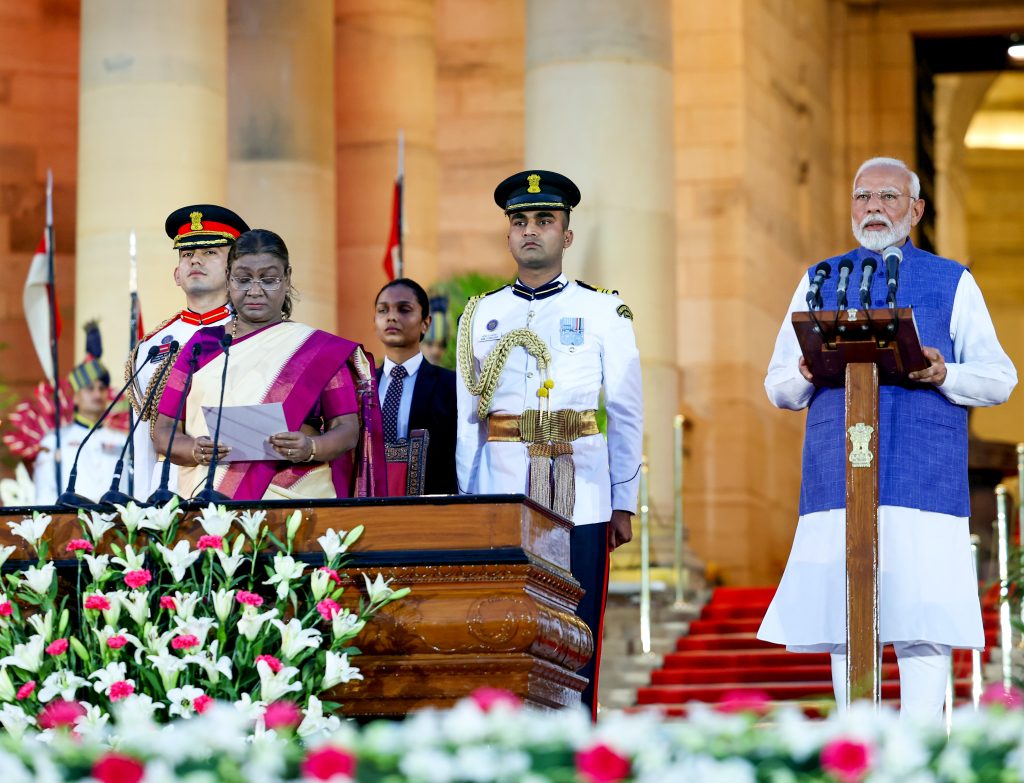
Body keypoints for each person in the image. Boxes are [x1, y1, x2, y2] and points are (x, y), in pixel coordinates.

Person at [757, 157, 1018, 721]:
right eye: (862, 196)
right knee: (844, 624)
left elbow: (1000, 378)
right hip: (837, 478)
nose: (873, 207)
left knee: (923, 625)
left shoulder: (952, 281)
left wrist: (945, 373)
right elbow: (777, 387)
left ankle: (921, 756)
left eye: (888, 197)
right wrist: (806, 370)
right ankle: (855, 750)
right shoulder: (820, 279)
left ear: (916, 209)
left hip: (921, 478)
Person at [455, 170, 644, 716]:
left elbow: (627, 410)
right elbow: (472, 417)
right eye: (520, 221)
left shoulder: (604, 310)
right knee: (505, 618)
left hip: (580, 489)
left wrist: (623, 501)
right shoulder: (481, 312)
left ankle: (575, 739)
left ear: (567, 235)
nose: (530, 230)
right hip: (503, 489)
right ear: (508, 235)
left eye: (544, 220)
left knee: (578, 626)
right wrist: (469, 495)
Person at [153, 228, 386, 501]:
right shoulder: (201, 345)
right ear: (228, 279)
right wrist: (194, 449)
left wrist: (310, 447)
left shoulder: (316, 349)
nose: (255, 291)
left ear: (287, 279)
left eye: (268, 279)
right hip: (209, 500)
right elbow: (164, 430)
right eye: (243, 279)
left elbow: (347, 430)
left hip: (297, 500)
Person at [125, 204, 249, 500]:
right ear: (177, 274)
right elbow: (142, 437)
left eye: (210, 253)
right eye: (187, 254)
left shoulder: (251, 334)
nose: (195, 260)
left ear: (234, 269)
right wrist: (140, 503)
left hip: (229, 485)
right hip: (163, 491)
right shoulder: (150, 346)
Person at [374, 278, 458, 495]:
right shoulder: (361, 386)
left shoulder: (452, 386)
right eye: (383, 310)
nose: (391, 316)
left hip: (432, 509)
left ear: (425, 323)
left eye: (404, 309)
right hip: (369, 506)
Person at [34, 323, 127, 503]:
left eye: (101, 388)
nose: (97, 394)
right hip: (70, 526)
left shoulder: (122, 442)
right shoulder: (54, 441)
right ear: (75, 397)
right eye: (89, 388)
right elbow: (44, 495)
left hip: (117, 526)